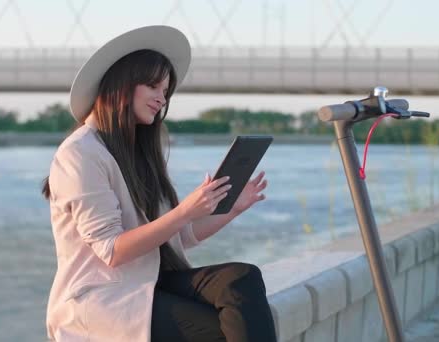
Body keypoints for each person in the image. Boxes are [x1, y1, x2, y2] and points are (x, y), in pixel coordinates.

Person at [42, 25, 277, 342]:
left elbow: (181, 236)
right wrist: (185, 211)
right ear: (122, 84)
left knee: (242, 278)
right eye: (153, 86)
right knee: (217, 332)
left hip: (148, 281)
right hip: (102, 296)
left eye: (165, 91)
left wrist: (229, 209)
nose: (161, 98)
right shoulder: (80, 154)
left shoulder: (139, 152)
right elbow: (112, 251)